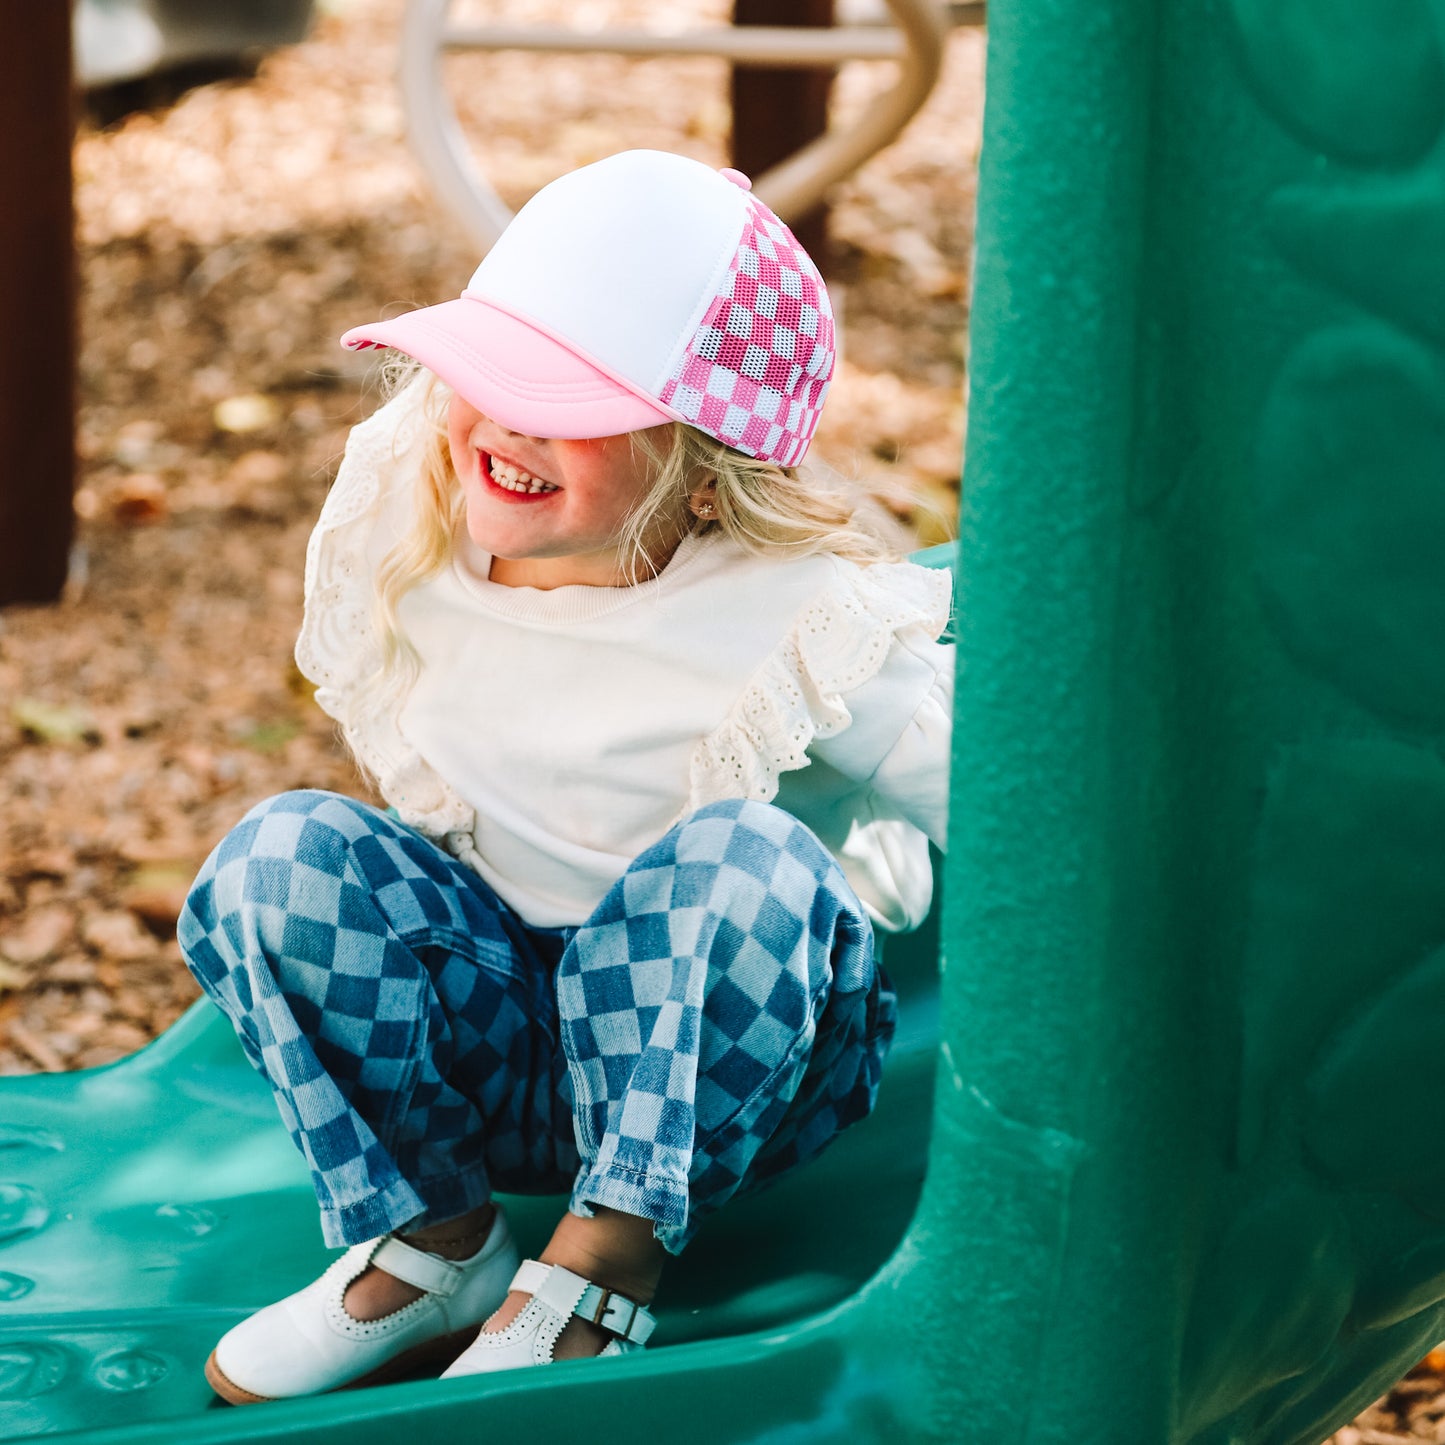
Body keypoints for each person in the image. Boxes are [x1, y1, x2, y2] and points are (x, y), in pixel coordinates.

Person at [177, 148, 952, 1406]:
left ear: (705, 469)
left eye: (566, 403)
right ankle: (437, 1241)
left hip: (715, 1064)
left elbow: (1011, 807)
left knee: (740, 860)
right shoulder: (416, 530)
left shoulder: (801, 624)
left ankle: (602, 1263)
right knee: (280, 857)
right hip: (504, 1046)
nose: (504, 423)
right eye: (486, 375)